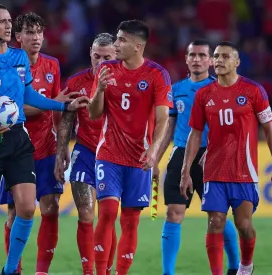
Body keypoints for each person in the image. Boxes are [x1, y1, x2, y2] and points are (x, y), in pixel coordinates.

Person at [0, 5, 88, 275]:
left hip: (18, 138)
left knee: (27, 208)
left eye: (10, 21)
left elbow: (29, 97)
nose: (8, 26)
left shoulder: (19, 58)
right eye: (2, 22)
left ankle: (11, 268)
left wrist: (63, 107)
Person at [180, 41, 272, 275]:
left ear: (237, 62)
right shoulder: (203, 95)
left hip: (243, 171)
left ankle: (246, 265)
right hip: (214, 171)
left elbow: (270, 130)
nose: (219, 60)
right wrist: (185, 170)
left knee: (243, 225)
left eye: (225, 57)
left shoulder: (253, 90)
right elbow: (195, 133)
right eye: (216, 56)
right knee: (215, 222)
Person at [88, 20, 173, 275]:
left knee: (130, 220)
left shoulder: (157, 74)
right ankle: (101, 271)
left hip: (139, 157)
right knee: (108, 212)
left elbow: (162, 119)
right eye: (117, 38)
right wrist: (99, 90)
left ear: (138, 46)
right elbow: (94, 114)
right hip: (109, 153)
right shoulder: (107, 69)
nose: (116, 44)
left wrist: (154, 151)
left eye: (121, 40)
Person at [0, 12, 76, 275]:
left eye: (40, 32)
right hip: (15, 147)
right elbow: (10, 109)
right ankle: (14, 269)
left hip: (46, 146)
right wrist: (47, 105)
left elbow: (57, 111)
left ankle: (42, 271)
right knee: (14, 212)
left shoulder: (52, 65)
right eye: (30, 32)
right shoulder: (7, 65)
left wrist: (62, 144)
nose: (36, 38)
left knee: (51, 207)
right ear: (17, 37)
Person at [155, 40, 239, 275]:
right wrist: (155, 158)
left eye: (202, 55)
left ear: (211, 61)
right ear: (186, 59)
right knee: (174, 212)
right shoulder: (176, 89)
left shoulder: (220, 89)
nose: (197, 59)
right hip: (181, 153)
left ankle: (236, 267)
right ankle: (168, 272)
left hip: (211, 156)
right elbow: (168, 128)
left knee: (217, 216)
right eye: (192, 55)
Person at [54, 33, 117, 275]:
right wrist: (61, 154)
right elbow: (66, 120)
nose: (101, 62)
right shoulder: (78, 81)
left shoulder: (124, 82)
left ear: (116, 55)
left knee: (107, 216)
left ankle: (107, 269)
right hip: (85, 151)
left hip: (114, 155)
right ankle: (88, 271)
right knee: (86, 213)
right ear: (90, 52)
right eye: (96, 56)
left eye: (107, 57)